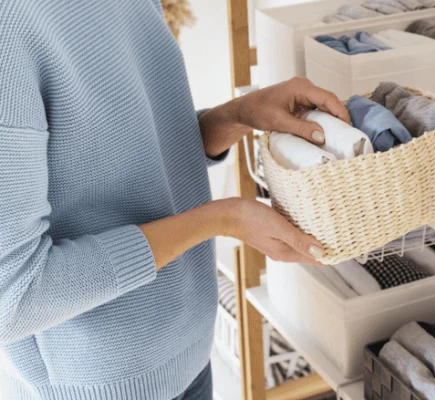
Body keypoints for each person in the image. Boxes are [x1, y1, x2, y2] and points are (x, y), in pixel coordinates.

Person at [0, 1, 350, 399]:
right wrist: (221, 219)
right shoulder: (9, 25)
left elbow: (125, 157)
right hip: (95, 386)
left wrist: (236, 116)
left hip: (189, 352)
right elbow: (13, 297)